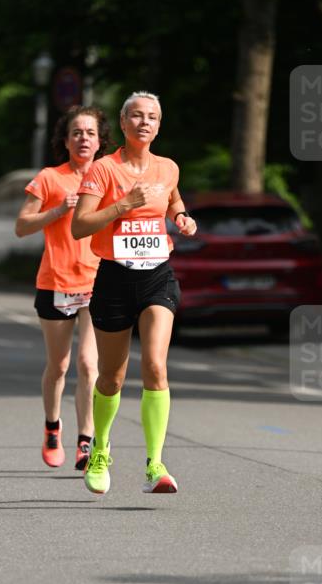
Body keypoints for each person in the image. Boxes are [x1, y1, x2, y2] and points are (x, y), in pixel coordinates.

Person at [72, 91, 198, 496]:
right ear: (123, 124)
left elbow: (173, 199)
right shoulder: (103, 170)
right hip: (114, 278)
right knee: (112, 376)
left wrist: (180, 216)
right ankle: (101, 449)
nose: (145, 123)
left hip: (158, 276)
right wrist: (124, 204)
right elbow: (80, 226)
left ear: (159, 126)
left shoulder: (168, 168)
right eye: (137, 116)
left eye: (153, 118)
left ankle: (155, 464)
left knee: (156, 367)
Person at [15, 105, 110, 470]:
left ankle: (86, 441)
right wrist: (57, 210)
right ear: (66, 140)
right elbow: (21, 227)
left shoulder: (107, 178)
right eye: (77, 133)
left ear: (100, 141)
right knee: (59, 365)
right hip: (56, 280)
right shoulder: (50, 179)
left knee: (89, 364)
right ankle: (52, 427)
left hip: (97, 280)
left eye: (90, 133)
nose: (83, 138)